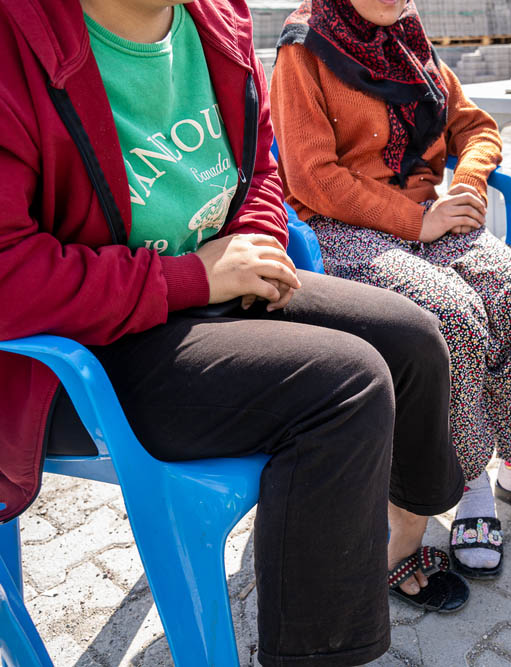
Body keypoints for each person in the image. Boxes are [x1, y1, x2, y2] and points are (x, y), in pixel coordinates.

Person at [0, 0, 468, 662]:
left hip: (210, 286)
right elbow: (9, 276)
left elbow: (259, 163)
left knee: (415, 339)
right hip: (91, 350)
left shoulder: (216, 15)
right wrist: (190, 279)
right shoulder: (16, 40)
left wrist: (253, 241)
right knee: (349, 388)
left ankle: (398, 543)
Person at [269, 0, 511, 586]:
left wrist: (466, 185)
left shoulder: (407, 38)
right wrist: (415, 221)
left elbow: (473, 126)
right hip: (344, 228)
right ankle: (469, 483)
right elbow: (310, 175)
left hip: (431, 214)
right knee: (452, 315)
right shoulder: (304, 48)